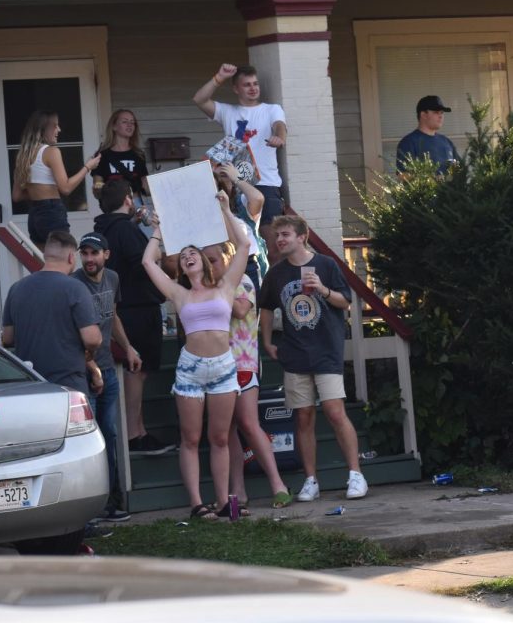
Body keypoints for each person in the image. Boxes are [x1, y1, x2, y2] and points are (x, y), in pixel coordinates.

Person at [142, 191, 249, 520]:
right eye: (184, 254)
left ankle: (223, 502)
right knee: (191, 438)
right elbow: (148, 261)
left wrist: (226, 209)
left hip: (222, 367)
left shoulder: (225, 287)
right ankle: (197, 504)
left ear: (204, 261)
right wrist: (157, 230)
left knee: (220, 438)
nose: (189, 256)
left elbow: (243, 246)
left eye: (194, 253)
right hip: (190, 369)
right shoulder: (178, 292)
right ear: (181, 265)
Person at [258, 215, 368, 502]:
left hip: (326, 350)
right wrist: (267, 340)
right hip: (294, 352)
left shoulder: (326, 265)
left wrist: (322, 289)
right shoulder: (276, 273)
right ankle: (311, 480)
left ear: (301, 237)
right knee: (303, 416)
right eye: (277, 235)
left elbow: (345, 301)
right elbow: (267, 308)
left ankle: (355, 474)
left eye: (285, 234)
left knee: (334, 411)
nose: (280, 239)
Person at [203, 241, 291, 512]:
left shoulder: (243, 281)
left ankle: (278, 484)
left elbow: (240, 309)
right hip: (216, 365)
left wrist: (213, 291)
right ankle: (237, 491)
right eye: (206, 261)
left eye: (214, 261)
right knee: (227, 430)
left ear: (229, 260)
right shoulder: (207, 288)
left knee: (249, 424)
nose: (209, 267)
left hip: (242, 363)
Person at [93, 180, 174, 457]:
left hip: (127, 307)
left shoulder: (105, 228)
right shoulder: (124, 231)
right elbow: (145, 262)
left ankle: (139, 430)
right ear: (129, 199)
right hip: (137, 308)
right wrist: (155, 237)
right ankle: (134, 435)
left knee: (137, 371)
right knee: (136, 372)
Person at [73, 232, 144, 524]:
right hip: (84, 371)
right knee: (88, 440)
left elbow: (112, 315)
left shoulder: (112, 279)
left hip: (106, 368)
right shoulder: (73, 284)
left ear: (106, 255)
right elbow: (73, 332)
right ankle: (89, 509)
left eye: (94, 253)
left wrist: (128, 347)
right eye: (84, 253)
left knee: (110, 436)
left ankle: (111, 502)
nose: (89, 259)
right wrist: (91, 368)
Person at [1, 231, 103, 397]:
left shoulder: (16, 289)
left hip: (30, 386)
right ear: (71, 257)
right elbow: (92, 339)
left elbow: (7, 338)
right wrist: (91, 351)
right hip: (68, 386)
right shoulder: (75, 289)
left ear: (45, 255)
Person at [193, 63, 288, 233]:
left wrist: (279, 137)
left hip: (266, 184)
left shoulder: (271, 109)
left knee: (271, 242)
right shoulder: (228, 111)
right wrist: (219, 78)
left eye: (255, 83)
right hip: (236, 186)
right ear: (236, 89)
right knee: (241, 239)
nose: (253, 88)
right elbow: (199, 100)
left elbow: (280, 125)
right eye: (247, 84)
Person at [12, 110, 101, 247]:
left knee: (42, 263)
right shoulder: (51, 152)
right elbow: (65, 188)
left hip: (34, 214)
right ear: (43, 128)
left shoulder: (23, 154)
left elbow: (17, 196)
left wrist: (39, 191)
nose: (59, 129)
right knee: (62, 261)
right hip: (51, 213)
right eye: (55, 125)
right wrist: (88, 167)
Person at [213, 161, 268, 290]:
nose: (223, 171)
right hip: (221, 264)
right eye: (219, 170)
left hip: (248, 263)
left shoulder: (241, 202)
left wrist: (236, 178)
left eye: (227, 171)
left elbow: (258, 199)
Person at [91, 109, 150, 199]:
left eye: (132, 122)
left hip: (135, 205)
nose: (129, 125)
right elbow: (97, 184)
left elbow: (145, 185)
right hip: (114, 207)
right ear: (114, 126)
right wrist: (100, 188)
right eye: (124, 122)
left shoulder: (138, 154)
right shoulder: (102, 155)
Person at [396, 95, 459, 174]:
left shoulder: (447, 142)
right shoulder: (408, 143)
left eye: (442, 112)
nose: (440, 116)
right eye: (436, 112)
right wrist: (431, 181)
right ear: (423, 115)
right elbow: (403, 176)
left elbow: (459, 170)